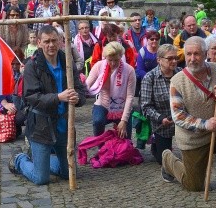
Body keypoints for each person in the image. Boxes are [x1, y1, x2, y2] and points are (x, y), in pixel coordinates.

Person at [162, 36, 216, 196]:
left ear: (205, 54)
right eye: (188, 54)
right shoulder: (177, 81)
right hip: (192, 137)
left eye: (196, 54)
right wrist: (205, 124)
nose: (192, 58)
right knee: (194, 185)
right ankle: (168, 160)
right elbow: (178, 116)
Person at [8, 25, 86, 185]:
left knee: (69, 173)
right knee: (41, 178)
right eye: (47, 41)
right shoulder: (32, 65)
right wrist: (59, 97)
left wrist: (77, 98)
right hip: (40, 127)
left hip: (63, 126)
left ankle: (40, 161)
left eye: (54, 41)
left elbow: (80, 90)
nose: (51, 45)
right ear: (39, 43)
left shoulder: (67, 62)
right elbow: (31, 97)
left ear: (60, 42)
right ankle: (19, 159)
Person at [140, 44, 181, 165]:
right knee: (164, 161)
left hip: (181, 121)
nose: (174, 61)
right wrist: (160, 117)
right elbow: (146, 106)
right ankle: (155, 144)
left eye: (176, 58)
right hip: (162, 126)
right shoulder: (149, 78)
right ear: (159, 60)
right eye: (170, 58)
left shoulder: (181, 74)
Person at [86, 41, 136, 139]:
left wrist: (124, 120)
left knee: (125, 140)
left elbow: (130, 96)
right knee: (98, 121)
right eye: (110, 60)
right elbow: (87, 84)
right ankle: (101, 146)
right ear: (105, 58)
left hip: (122, 106)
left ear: (121, 56)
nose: (113, 63)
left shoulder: (129, 70)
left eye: (116, 60)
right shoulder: (99, 66)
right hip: (103, 103)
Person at [136, 30, 160, 96]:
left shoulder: (161, 50)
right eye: (152, 39)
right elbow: (139, 70)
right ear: (148, 40)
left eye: (156, 39)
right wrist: (150, 78)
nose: (154, 41)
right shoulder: (142, 51)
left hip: (159, 80)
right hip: (145, 79)